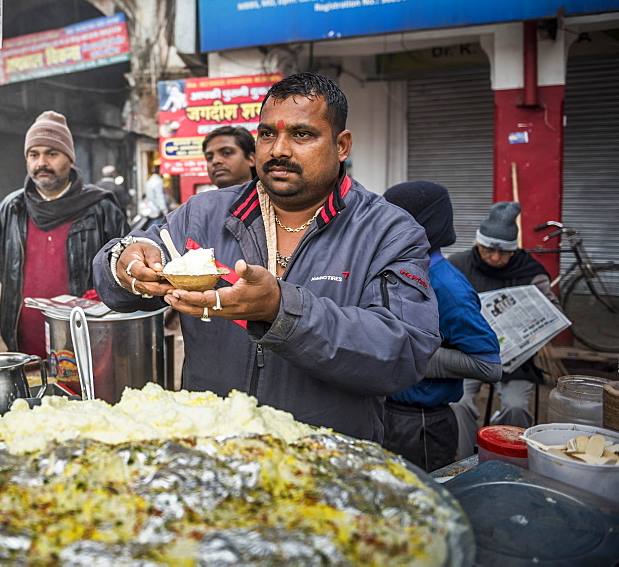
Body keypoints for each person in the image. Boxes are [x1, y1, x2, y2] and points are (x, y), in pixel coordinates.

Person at [93, 72, 441, 441]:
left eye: (302, 134)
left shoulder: (388, 232)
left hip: (324, 461)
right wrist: (121, 265)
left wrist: (281, 310)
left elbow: (402, 352)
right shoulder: (201, 214)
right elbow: (117, 277)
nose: (278, 150)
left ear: (342, 145)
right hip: (214, 450)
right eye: (268, 134)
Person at [381, 180, 502, 471]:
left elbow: (489, 365)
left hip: (422, 424)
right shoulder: (395, 269)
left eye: (388, 218)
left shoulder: (448, 288)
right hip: (386, 412)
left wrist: (412, 353)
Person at [0, 111, 128, 357]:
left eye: (51, 153)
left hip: (87, 340)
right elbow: (3, 267)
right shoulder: (9, 210)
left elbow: (120, 272)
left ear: (70, 159)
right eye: (34, 155)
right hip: (24, 344)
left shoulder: (102, 208)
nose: (41, 162)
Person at [448, 201, 560, 457]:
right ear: (478, 243)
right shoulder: (458, 265)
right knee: (458, 402)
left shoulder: (531, 271)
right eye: (488, 250)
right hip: (467, 353)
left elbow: (553, 311)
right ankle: (463, 461)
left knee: (516, 405)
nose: (496, 258)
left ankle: (509, 462)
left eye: (504, 253)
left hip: (514, 359)